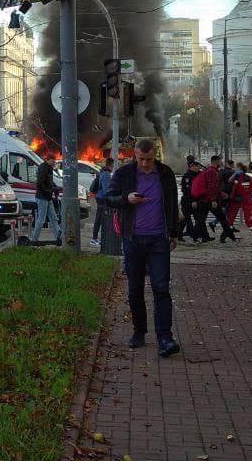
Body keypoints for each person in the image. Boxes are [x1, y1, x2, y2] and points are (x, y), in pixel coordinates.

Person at [104, 139, 183, 358]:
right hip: (133, 238)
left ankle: (165, 338)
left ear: (155, 155)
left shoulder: (165, 173)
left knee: (161, 288)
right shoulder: (124, 174)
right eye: (141, 159)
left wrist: (174, 232)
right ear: (135, 155)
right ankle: (139, 332)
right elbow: (108, 198)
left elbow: (172, 204)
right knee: (135, 289)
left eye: (149, 159)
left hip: (159, 238)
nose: (145, 164)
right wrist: (126, 199)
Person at [29, 155, 62, 244]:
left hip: (48, 197)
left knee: (54, 218)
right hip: (42, 197)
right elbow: (40, 183)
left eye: (54, 161)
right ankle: (34, 239)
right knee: (41, 218)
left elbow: (50, 181)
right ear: (48, 160)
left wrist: (55, 188)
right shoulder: (43, 168)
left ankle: (58, 238)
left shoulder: (49, 168)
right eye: (53, 161)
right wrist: (49, 190)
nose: (54, 163)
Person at [226, 163, 252, 245]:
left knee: (244, 220)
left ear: (240, 168)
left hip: (242, 200)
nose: (235, 169)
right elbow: (229, 181)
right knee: (231, 219)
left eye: (236, 168)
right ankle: (226, 234)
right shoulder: (241, 177)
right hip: (239, 200)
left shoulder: (244, 178)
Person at [89, 157, 115, 247]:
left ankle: (96, 238)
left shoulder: (102, 171)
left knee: (100, 219)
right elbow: (106, 189)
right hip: (102, 199)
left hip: (99, 197)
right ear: (111, 165)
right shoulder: (107, 174)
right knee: (99, 219)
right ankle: (94, 239)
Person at [179, 160, 205, 243]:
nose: (196, 168)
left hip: (198, 201)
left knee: (198, 219)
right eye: (194, 166)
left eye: (197, 166)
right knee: (187, 220)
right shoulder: (187, 176)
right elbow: (186, 190)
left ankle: (198, 236)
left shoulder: (200, 175)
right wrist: (192, 201)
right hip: (187, 201)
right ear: (190, 167)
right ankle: (192, 236)